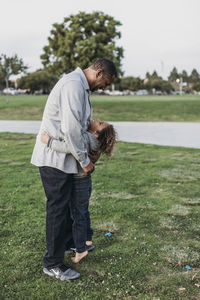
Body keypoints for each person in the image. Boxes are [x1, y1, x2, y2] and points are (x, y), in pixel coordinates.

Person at [31, 58, 117, 282]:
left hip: (65, 159)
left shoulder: (82, 89)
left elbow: (82, 128)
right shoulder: (73, 85)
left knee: (69, 206)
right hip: (54, 159)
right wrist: (85, 161)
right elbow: (71, 131)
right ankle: (52, 264)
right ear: (98, 72)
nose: (105, 87)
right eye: (106, 82)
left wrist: (91, 153)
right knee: (58, 210)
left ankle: (70, 243)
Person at [40, 119, 117, 263]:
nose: (96, 120)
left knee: (78, 215)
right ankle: (87, 239)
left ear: (96, 133)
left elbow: (69, 146)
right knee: (83, 211)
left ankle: (81, 249)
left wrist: (49, 141)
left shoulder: (87, 138)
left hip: (79, 181)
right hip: (86, 181)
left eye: (100, 123)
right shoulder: (95, 142)